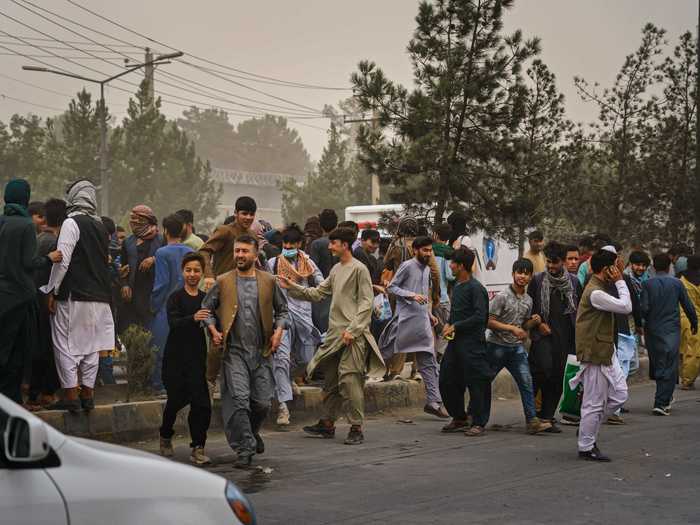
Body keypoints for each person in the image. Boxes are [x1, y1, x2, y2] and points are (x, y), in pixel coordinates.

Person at [279, 227, 384, 446]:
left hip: (353, 337)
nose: (329, 246)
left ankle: (356, 427)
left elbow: (366, 303)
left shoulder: (359, 269)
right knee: (331, 382)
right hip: (335, 335)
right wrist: (292, 287)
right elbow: (317, 293)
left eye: (333, 243)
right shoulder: (336, 269)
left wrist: (353, 331)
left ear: (344, 245)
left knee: (350, 380)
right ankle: (327, 423)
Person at [203, 235, 288, 468]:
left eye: (244, 251)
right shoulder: (223, 281)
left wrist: (279, 331)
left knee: (261, 403)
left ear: (255, 253)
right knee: (239, 401)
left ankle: (251, 432)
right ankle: (244, 448)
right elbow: (206, 310)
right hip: (234, 352)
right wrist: (213, 329)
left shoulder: (269, 281)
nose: (239, 255)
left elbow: (283, 311)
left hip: (261, 352)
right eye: (237, 251)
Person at [41, 180, 114, 413]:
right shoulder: (101, 226)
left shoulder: (71, 223)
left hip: (74, 296)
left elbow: (62, 260)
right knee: (92, 348)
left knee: (64, 346)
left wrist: (52, 289)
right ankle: (88, 396)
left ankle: (71, 395)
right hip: (100, 297)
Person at [0, 180, 60, 403]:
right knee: (17, 354)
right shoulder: (25, 224)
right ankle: (12, 403)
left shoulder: (2, 221)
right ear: (25, 197)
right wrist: (48, 259)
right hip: (20, 298)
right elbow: (28, 262)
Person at [570, 249, 632, 462]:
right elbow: (626, 306)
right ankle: (586, 446)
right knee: (593, 404)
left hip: (606, 350)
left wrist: (619, 280)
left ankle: (587, 427)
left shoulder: (602, 287)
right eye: (615, 265)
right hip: (595, 353)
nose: (618, 269)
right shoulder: (595, 292)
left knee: (620, 394)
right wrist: (620, 281)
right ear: (607, 269)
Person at [379, 236, 448, 418]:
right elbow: (392, 288)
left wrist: (429, 314)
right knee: (382, 353)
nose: (428, 253)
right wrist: (411, 296)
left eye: (430, 250)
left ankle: (434, 402)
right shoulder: (408, 266)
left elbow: (424, 295)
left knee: (429, 362)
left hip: (421, 323)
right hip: (403, 321)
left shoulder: (426, 269)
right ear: (416, 250)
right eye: (424, 250)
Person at [487, 258, 552, 434]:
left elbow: (523, 326)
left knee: (526, 383)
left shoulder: (528, 300)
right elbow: (489, 322)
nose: (522, 276)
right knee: (484, 382)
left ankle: (532, 421)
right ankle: (473, 416)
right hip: (496, 347)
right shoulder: (501, 297)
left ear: (530, 277)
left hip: (516, 349)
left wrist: (532, 323)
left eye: (526, 273)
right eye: (519, 272)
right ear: (513, 274)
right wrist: (510, 329)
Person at [267, 224, 323, 426]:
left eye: (292, 243)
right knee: (281, 359)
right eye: (285, 243)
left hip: (304, 316)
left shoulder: (307, 263)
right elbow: (266, 286)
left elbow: (321, 284)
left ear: (299, 244)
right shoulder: (273, 263)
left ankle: (290, 379)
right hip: (281, 317)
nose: (288, 246)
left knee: (306, 360)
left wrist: (300, 285)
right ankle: (283, 407)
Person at [159, 252, 212, 466]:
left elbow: (211, 321)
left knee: (202, 405)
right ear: (183, 271)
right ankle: (165, 435)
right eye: (188, 270)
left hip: (197, 358)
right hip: (176, 359)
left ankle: (198, 447)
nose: (192, 274)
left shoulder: (204, 298)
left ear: (202, 273)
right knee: (175, 402)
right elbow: (174, 323)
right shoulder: (175, 297)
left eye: (196, 270)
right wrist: (193, 318)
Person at [527, 241, 582, 432]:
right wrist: (539, 324)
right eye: (548, 262)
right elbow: (530, 308)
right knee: (543, 371)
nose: (551, 266)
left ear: (563, 262)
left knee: (558, 376)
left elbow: (579, 312)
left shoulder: (574, 283)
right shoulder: (538, 281)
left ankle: (547, 417)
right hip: (542, 337)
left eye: (555, 262)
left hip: (565, 338)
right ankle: (532, 414)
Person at [439, 248, 492, 437]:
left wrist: (456, 326)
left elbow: (480, 317)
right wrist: (448, 324)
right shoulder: (458, 287)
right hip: (455, 344)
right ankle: (459, 417)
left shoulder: (476, 288)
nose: (450, 265)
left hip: (472, 344)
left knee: (477, 383)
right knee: (447, 379)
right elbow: (455, 314)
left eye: (453, 262)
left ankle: (478, 421)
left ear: (461, 266)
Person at [641, 253, 698, 415]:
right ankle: (661, 402)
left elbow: (643, 308)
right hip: (671, 330)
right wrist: (694, 323)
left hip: (652, 330)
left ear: (653, 267)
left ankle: (662, 399)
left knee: (659, 363)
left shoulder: (647, 284)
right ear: (669, 267)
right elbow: (687, 305)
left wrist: (641, 324)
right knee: (669, 364)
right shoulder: (677, 284)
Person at [27, 198, 66, 409]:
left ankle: (34, 393)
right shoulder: (54, 244)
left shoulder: (37, 240)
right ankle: (45, 392)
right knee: (49, 348)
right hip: (47, 301)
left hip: (34, 299)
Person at [150, 214, 194, 394]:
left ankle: (160, 384)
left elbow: (161, 284)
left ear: (165, 231)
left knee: (162, 348)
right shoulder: (189, 252)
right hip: (187, 305)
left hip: (166, 307)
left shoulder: (161, 253)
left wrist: (153, 305)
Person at [199, 196, 257, 291]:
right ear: (235, 213)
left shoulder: (254, 236)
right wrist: (208, 275)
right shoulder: (225, 231)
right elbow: (204, 252)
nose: (248, 217)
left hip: (246, 289)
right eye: (244, 214)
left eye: (251, 214)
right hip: (222, 287)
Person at [120, 205, 164, 330]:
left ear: (147, 220)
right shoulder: (128, 242)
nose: (133, 222)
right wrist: (124, 285)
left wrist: (154, 259)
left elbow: (167, 261)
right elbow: (123, 268)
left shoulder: (161, 240)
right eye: (132, 218)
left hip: (152, 293)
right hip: (132, 294)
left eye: (137, 219)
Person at [308, 208, 339, 334]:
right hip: (339, 292)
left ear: (320, 225)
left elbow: (311, 270)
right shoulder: (342, 243)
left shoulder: (317, 244)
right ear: (337, 224)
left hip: (321, 295)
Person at [679, 255, 700, 389]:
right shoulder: (698, 280)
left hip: (680, 318)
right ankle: (687, 379)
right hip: (695, 319)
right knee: (694, 351)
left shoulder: (681, 279)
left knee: (684, 349)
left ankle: (684, 375)